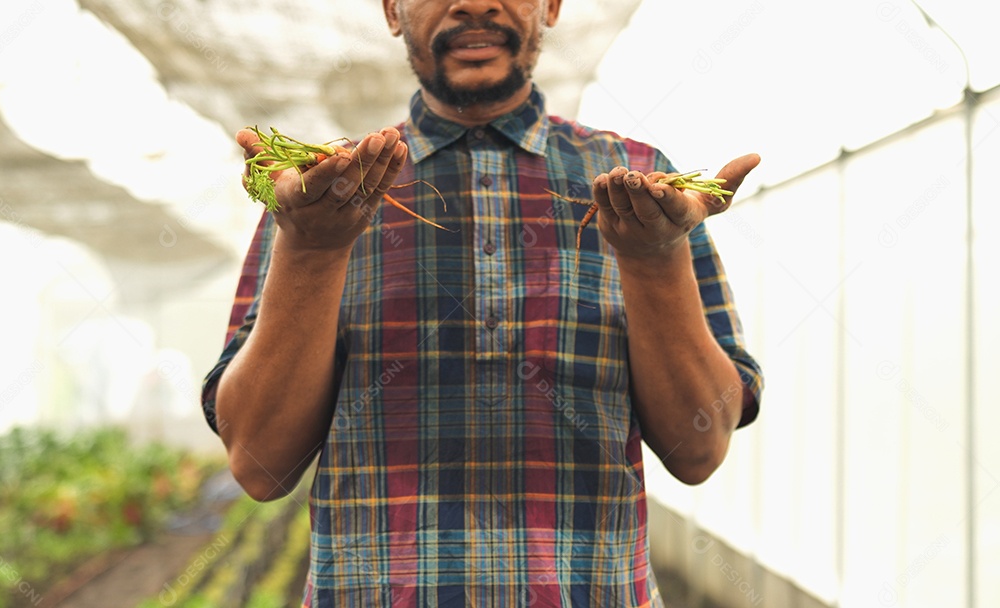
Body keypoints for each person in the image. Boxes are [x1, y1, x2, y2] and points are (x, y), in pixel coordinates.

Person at [201, 1, 763, 605]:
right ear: (393, 10)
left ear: (550, 5)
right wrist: (311, 250)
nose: (474, 2)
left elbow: (700, 448)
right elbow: (260, 465)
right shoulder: (326, 194)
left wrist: (654, 260)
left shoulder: (642, 186)